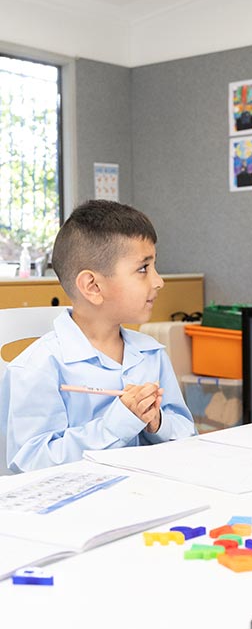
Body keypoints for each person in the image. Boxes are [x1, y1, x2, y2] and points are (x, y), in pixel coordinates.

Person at [0, 200, 195, 471]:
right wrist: (117, 424)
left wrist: (157, 422)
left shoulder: (151, 353)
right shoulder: (38, 366)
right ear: (92, 286)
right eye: (143, 269)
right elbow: (32, 462)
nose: (158, 281)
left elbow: (187, 433)